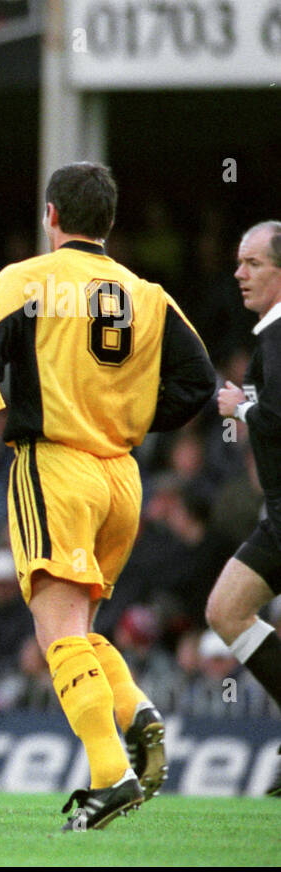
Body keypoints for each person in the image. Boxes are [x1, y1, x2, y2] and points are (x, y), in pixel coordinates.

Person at [0, 162, 216, 830]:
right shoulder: (146, 294)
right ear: (111, 222)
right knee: (82, 631)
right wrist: (125, 416)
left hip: (57, 466)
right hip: (122, 477)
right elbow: (200, 382)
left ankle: (109, 775)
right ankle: (135, 712)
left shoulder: (27, 278)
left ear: (51, 216)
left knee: (57, 634)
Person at [207, 220, 281, 797]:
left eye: (253, 263)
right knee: (226, 611)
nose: (240, 273)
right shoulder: (270, 338)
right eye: (239, 262)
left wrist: (242, 409)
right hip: (278, 520)